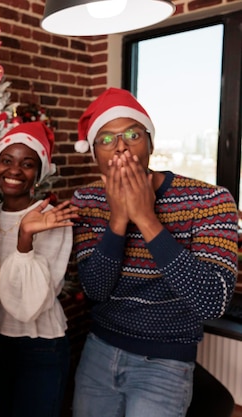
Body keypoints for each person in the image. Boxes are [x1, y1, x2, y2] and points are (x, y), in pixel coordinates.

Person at [70, 87, 238, 417]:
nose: (120, 147)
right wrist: (118, 220)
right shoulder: (87, 201)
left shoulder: (209, 201)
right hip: (99, 354)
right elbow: (96, 289)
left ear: (150, 143)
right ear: (93, 154)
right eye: (106, 139)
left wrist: (146, 217)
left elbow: (212, 302)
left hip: (165, 364)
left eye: (132, 134)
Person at [0, 122, 79, 417]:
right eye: (7, 160)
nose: (14, 170)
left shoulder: (52, 218)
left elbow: (31, 303)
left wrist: (25, 238)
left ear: (38, 174)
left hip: (39, 347)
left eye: (27, 164)